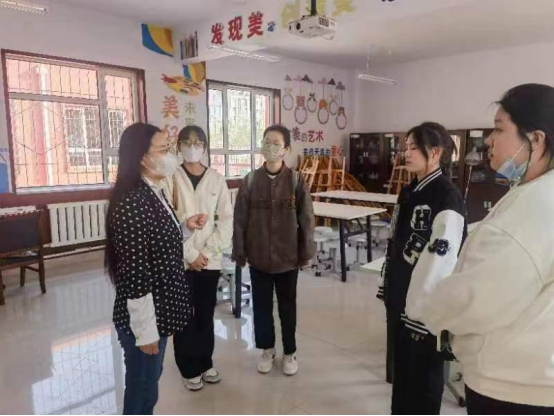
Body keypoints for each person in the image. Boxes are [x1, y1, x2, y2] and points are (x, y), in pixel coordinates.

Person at [407, 84, 554, 415]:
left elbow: (477, 298)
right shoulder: (538, 193)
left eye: (499, 129)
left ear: (535, 139)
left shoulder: (533, 207)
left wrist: (427, 310)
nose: (488, 140)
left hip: (513, 386)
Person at [105, 123, 206, 415]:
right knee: (142, 390)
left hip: (159, 311)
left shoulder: (153, 189)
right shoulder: (131, 202)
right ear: (142, 157)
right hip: (144, 320)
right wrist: (145, 331)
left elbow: (157, 243)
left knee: (149, 384)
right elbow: (134, 273)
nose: (171, 156)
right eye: (164, 150)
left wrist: (184, 227)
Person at [378, 122, 468, 415]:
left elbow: (442, 262)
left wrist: (421, 315)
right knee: (403, 375)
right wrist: (387, 282)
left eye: (414, 147)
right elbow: (394, 241)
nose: (406, 153)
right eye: (405, 147)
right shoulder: (409, 191)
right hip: (400, 298)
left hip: (425, 312)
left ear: (436, 152)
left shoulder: (446, 196)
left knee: (424, 380)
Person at [233, 125, 315, 377]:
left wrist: (306, 253)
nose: (270, 147)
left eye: (276, 143)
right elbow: (240, 219)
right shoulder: (250, 180)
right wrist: (240, 252)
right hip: (258, 257)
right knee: (261, 308)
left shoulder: (296, 181)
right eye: (266, 142)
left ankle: (290, 352)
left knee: (287, 307)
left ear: (286, 149)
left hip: (287, 258)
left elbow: (307, 219)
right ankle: (267, 349)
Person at [164, 126, 233, 392]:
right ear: (178, 146)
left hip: (208, 261)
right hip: (180, 260)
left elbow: (225, 221)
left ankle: (205, 362)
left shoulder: (216, 179)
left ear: (205, 147)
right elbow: (168, 221)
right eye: (186, 142)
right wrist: (190, 254)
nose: (192, 147)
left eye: (197, 143)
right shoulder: (170, 178)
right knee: (183, 316)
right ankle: (188, 367)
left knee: (205, 313)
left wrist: (206, 253)